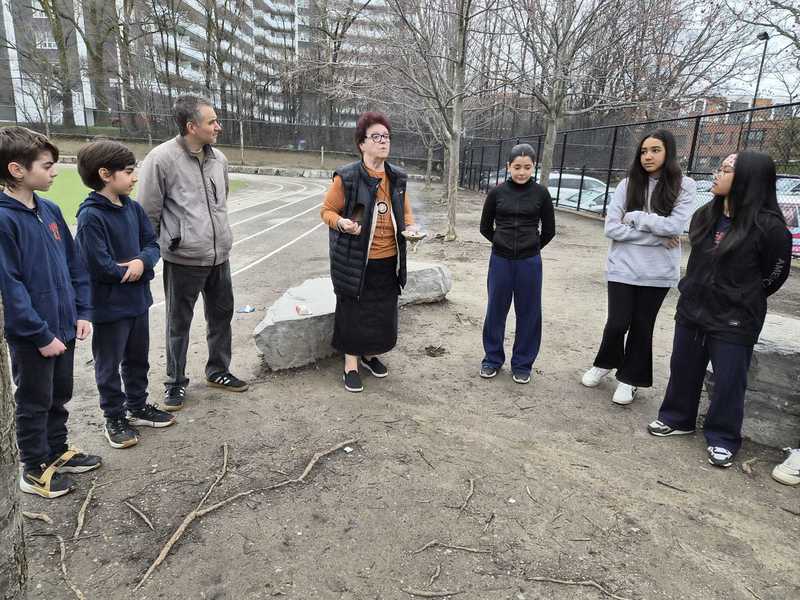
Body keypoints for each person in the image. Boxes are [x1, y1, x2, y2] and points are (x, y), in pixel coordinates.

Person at [647, 152, 792, 468]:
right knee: (683, 367)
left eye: (726, 169)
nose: (717, 174)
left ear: (748, 179)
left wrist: (741, 295)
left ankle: (723, 437)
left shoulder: (770, 228)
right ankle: (677, 418)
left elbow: (774, 276)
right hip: (694, 307)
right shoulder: (705, 215)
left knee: (729, 380)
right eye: (720, 167)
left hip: (735, 318)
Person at [0, 126, 102, 498]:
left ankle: (57, 450)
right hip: (34, 336)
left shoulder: (51, 210)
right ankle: (33, 468)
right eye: (47, 166)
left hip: (64, 326)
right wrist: (40, 334)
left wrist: (82, 311)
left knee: (60, 393)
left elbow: (74, 266)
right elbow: (10, 287)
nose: (55, 171)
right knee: (34, 400)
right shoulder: (4, 220)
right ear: (16, 170)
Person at [138, 95, 248, 411]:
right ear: (191, 126)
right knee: (179, 323)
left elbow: (221, 202)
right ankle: (175, 382)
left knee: (221, 315)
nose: (218, 127)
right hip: (183, 258)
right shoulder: (161, 159)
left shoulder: (219, 160)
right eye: (212, 122)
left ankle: (218, 370)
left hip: (219, 255)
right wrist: (157, 250)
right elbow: (148, 213)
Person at [581, 129, 696, 404]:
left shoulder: (685, 186)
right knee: (617, 323)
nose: (648, 156)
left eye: (655, 150)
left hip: (658, 272)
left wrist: (634, 217)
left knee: (642, 326)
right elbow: (611, 228)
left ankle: (630, 379)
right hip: (622, 267)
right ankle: (605, 362)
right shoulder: (627, 184)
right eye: (644, 151)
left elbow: (675, 226)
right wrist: (657, 237)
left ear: (668, 152)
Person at [75, 140, 175, 449]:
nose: (134, 178)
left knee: (137, 358)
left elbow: (151, 244)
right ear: (105, 174)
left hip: (137, 302)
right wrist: (131, 271)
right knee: (109, 365)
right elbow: (99, 265)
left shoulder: (133, 208)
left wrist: (140, 263)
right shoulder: (91, 216)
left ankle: (137, 405)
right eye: (129, 172)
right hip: (109, 307)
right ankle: (114, 417)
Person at [320, 111, 418, 392]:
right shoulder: (348, 177)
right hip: (355, 260)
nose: (384, 141)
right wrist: (342, 223)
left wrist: (411, 228)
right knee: (353, 311)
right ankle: (351, 364)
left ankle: (369, 355)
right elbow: (327, 211)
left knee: (380, 311)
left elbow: (406, 214)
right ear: (361, 143)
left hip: (388, 259)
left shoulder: (397, 178)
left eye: (386, 136)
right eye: (376, 136)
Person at [479, 144, 555, 384]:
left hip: (529, 263)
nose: (522, 172)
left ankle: (522, 364)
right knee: (495, 310)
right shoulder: (496, 193)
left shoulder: (541, 194)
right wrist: (501, 243)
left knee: (529, 313)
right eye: (517, 167)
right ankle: (492, 359)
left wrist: (530, 247)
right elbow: (485, 227)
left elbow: (549, 230)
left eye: (527, 167)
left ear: (534, 167)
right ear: (508, 167)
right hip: (500, 261)